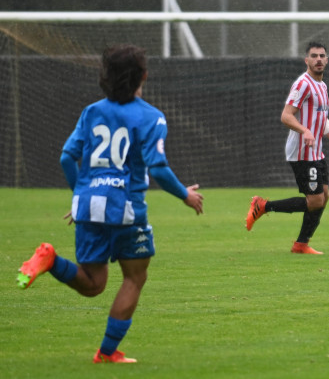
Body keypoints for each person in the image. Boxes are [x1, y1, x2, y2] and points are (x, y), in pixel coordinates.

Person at [16, 44, 204, 363]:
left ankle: (49, 260)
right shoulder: (151, 117)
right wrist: (185, 194)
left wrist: (81, 198)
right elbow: (157, 168)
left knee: (93, 284)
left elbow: (66, 158)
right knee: (135, 277)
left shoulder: (92, 112)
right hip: (126, 209)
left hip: (89, 205)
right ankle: (107, 353)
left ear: (106, 77)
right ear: (143, 75)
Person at [246, 41, 329, 254]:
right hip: (302, 152)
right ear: (307, 60)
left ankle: (301, 244)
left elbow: (322, 119)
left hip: (316, 150)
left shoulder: (322, 86)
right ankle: (263, 206)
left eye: (322, 56)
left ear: (327, 60)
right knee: (315, 201)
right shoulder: (303, 84)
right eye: (314, 56)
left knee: (324, 197)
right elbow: (286, 116)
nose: (319, 59)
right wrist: (304, 131)